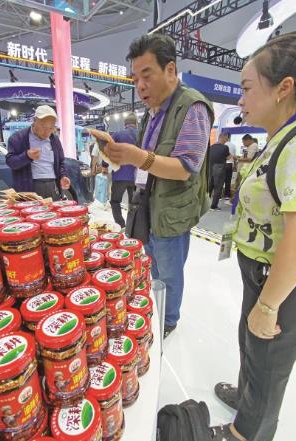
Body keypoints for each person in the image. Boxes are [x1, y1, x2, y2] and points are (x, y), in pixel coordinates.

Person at [210, 35, 296, 441]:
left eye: (247, 88)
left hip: (289, 283)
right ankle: (246, 397)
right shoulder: (283, 137)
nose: (241, 99)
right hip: (264, 272)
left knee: (268, 362)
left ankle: (248, 432)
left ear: (283, 88)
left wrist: (269, 304)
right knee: (252, 344)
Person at [104, 34, 214, 338]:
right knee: (151, 265)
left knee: (169, 272)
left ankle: (168, 320)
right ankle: (157, 309)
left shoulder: (192, 107)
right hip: (147, 203)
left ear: (170, 70)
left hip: (172, 210)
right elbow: (148, 161)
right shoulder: (151, 113)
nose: (140, 85)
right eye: (135, 79)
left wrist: (137, 157)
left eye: (147, 75)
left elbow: (185, 168)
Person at [6, 105, 71, 200]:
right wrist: (27, 156)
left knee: (53, 209)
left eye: (51, 128)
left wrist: (63, 176)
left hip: (52, 186)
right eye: (43, 127)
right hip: (29, 188)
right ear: (34, 120)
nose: (47, 132)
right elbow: (11, 162)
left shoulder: (54, 140)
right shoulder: (18, 138)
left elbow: (61, 162)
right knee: (32, 210)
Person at [109, 114, 138, 228]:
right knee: (134, 203)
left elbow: (107, 149)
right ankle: (132, 226)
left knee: (115, 201)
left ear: (124, 124)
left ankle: (120, 225)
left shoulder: (117, 134)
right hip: (136, 176)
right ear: (136, 124)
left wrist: (105, 165)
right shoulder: (141, 134)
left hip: (119, 175)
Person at [209, 137, 230, 211]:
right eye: (226, 139)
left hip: (210, 167)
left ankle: (205, 204)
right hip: (219, 168)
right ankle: (213, 206)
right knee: (218, 188)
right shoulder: (225, 147)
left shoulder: (211, 147)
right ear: (224, 139)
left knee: (209, 187)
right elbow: (228, 157)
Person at [218, 132, 237, 200]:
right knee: (228, 181)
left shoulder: (222, 145)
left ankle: (219, 195)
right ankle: (227, 195)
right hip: (230, 164)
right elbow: (234, 157)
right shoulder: (233, 145)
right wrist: (235, 165)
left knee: (220, 180)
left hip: (222, 164)